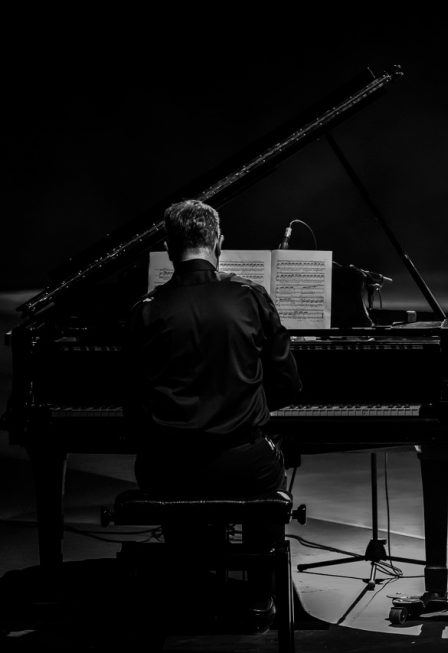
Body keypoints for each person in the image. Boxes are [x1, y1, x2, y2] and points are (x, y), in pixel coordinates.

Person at [125, 199, 302, 630]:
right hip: (242, 462)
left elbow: (133, 404)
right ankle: (259, 597)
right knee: (267, 463)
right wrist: (243, 406)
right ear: (218, 242)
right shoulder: (251, 297)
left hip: (169, 467)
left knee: (165, 465)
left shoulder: (145, 309)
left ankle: (191, 587)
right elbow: (288, 384)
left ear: (168, 249)